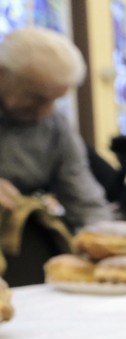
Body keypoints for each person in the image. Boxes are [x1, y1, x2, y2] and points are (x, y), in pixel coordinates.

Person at [0, 27, 112, 286]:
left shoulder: (55, 126)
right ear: (3, 74)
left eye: (55, 100)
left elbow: (83, 200)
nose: (45, 111)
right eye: (37, 98)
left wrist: (108, 242)